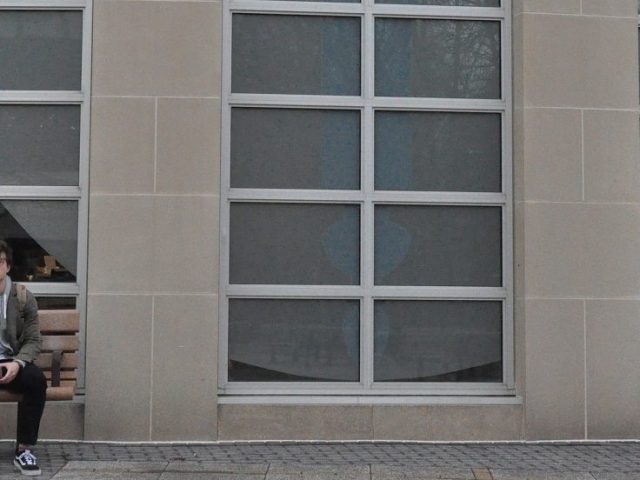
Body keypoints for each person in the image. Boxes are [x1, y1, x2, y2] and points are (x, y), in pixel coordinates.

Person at [0, 240, 46, 476]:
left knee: (36, 380)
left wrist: (18, 363)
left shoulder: (22, 298)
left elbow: (33, 340)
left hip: (12, 361)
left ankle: (24, 450)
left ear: (7, 266)